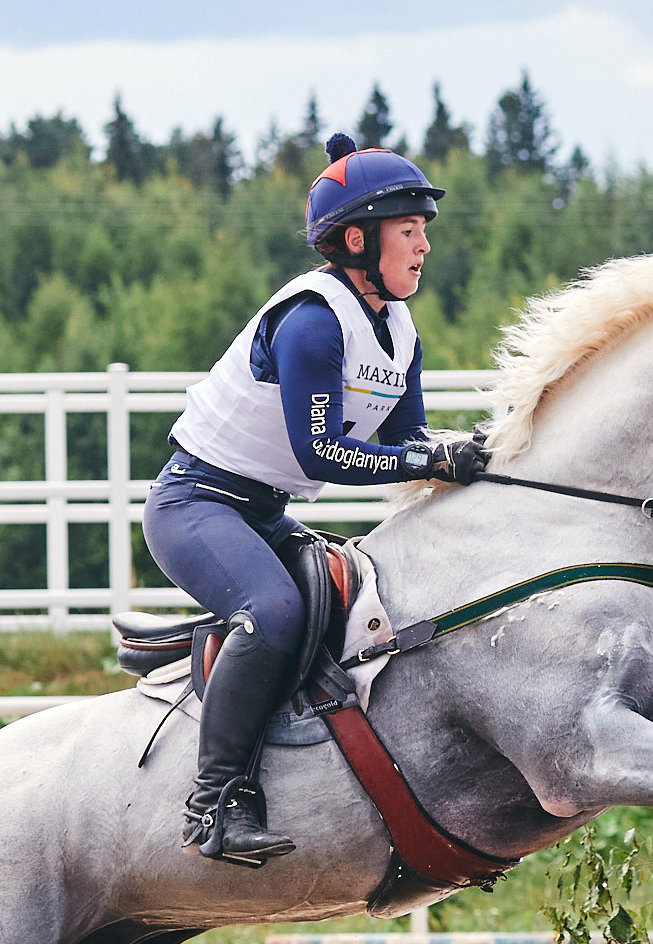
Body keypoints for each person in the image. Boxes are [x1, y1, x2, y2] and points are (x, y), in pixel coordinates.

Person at [150, 133, 487, 867]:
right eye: (410, 230)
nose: (425, 245)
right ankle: (214, 802)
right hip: (198, 504)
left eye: (425, 230)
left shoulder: (399, 330)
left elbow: (409, 440)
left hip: (263, 512)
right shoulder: (312, 320)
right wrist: (431, 457)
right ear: (359, 240)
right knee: (272, 613)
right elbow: (324, 453)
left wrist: (475, 453)